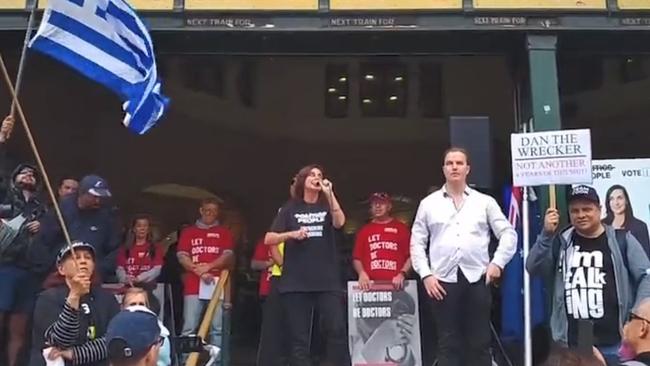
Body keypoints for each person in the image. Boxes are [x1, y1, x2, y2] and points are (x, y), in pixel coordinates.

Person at [410, 147, 518, 366]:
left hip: (477, 279)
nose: (454, 167)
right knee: (448, 343)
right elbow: (417, 242)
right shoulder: (428, 204)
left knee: (479, 342)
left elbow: (508, 233)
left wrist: (497, 263)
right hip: (441, 283)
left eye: (459, 163)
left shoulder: (483, 202)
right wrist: (426, 275)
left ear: (468, 169)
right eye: (450, 163)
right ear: (443, 169)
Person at [526, 185, 650, 365]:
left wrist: (636, 313)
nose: (581, 214)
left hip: (616, 339)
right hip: (578, 340)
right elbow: (532, 267)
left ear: (599, 210)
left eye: (587, 209)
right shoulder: (561, 241)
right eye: (575, 211)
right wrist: (546, 235)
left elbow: (646, 275)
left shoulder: (621, 239)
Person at [264, 164, 349, 366]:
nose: (317, 177)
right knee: (298, 337)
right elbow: (269, 238)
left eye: (320, 175)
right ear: (303, 180)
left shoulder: (326, 206)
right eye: (312, 174)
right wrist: (291, 234)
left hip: (326, 281)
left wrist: (330, 194)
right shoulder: (290, 208)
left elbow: (339, 222)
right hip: (296, 282)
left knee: (336, 328)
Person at [0, 115, 47, 366]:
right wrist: (1, 140)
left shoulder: (43, 209)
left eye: (32, 174)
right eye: (23, 173)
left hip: (29, 272)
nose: (28, 175)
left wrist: (43, 226)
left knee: (19, 327)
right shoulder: (6, 195)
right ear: (15, 178)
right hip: (4, 266)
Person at [29, 241, 120, 366]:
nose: (83, 261)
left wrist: (76, 354)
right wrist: (74, 296)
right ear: (61, 269)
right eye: (76, 257)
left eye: (88, 257)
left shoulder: (107, 298)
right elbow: (60, 342)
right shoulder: (48, 298)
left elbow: (116, 339)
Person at [29, 174, 120, 282]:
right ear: (82, 193)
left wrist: (99, 271)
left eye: (101, 197)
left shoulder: (106, 216)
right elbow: (42, 243)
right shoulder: (60, 211)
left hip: (92, 278)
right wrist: (53, 270)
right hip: (60, 277)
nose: (98, 201)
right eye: (94, 196)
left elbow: (113, 249)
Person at [177, 198, 234, 365]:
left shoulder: (224, 232)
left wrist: (207, 267)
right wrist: (199, 271)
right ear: (200, 210)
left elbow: (227, 255)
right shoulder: (189, 232)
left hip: (217, 284)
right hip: (193, 285)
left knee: (217, 329)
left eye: (214, 211)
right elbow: (182, 256)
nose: (210, 213)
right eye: (207, 210)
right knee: (189, 328)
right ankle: (186, 362)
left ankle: (216, 363)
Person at [353, 192, 411, 290]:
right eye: (374, 203)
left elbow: (411, 256)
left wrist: (402, 274)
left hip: (396, 286)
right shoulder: (364, 231)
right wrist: (361, 273)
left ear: (389, 206)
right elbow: (357, 258)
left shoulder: (401, 229)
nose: (378, 206)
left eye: (382, 203)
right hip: (370, 286)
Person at [121, 288, 171, 366]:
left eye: (141, 304)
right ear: (123, 308)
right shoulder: (114, 332)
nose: (137, 308)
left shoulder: (161, 334)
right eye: (132, 304)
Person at [116, 215, 164, 290]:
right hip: (128, 289)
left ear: (148, 229)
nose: (142, 229)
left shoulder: (155, 248)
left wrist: (140, 278)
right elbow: (120, 269)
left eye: (145, 226)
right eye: (139, 226)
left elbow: (157, 269)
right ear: (134, 229)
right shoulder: (125, 248)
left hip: (148, 289)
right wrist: (126, 279)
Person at [603, 185, 650, 258]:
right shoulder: (601, 225)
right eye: (612, 199)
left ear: (626, 201)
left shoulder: (640, 226)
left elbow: (646, 257)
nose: (616, 203)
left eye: (620, 198)